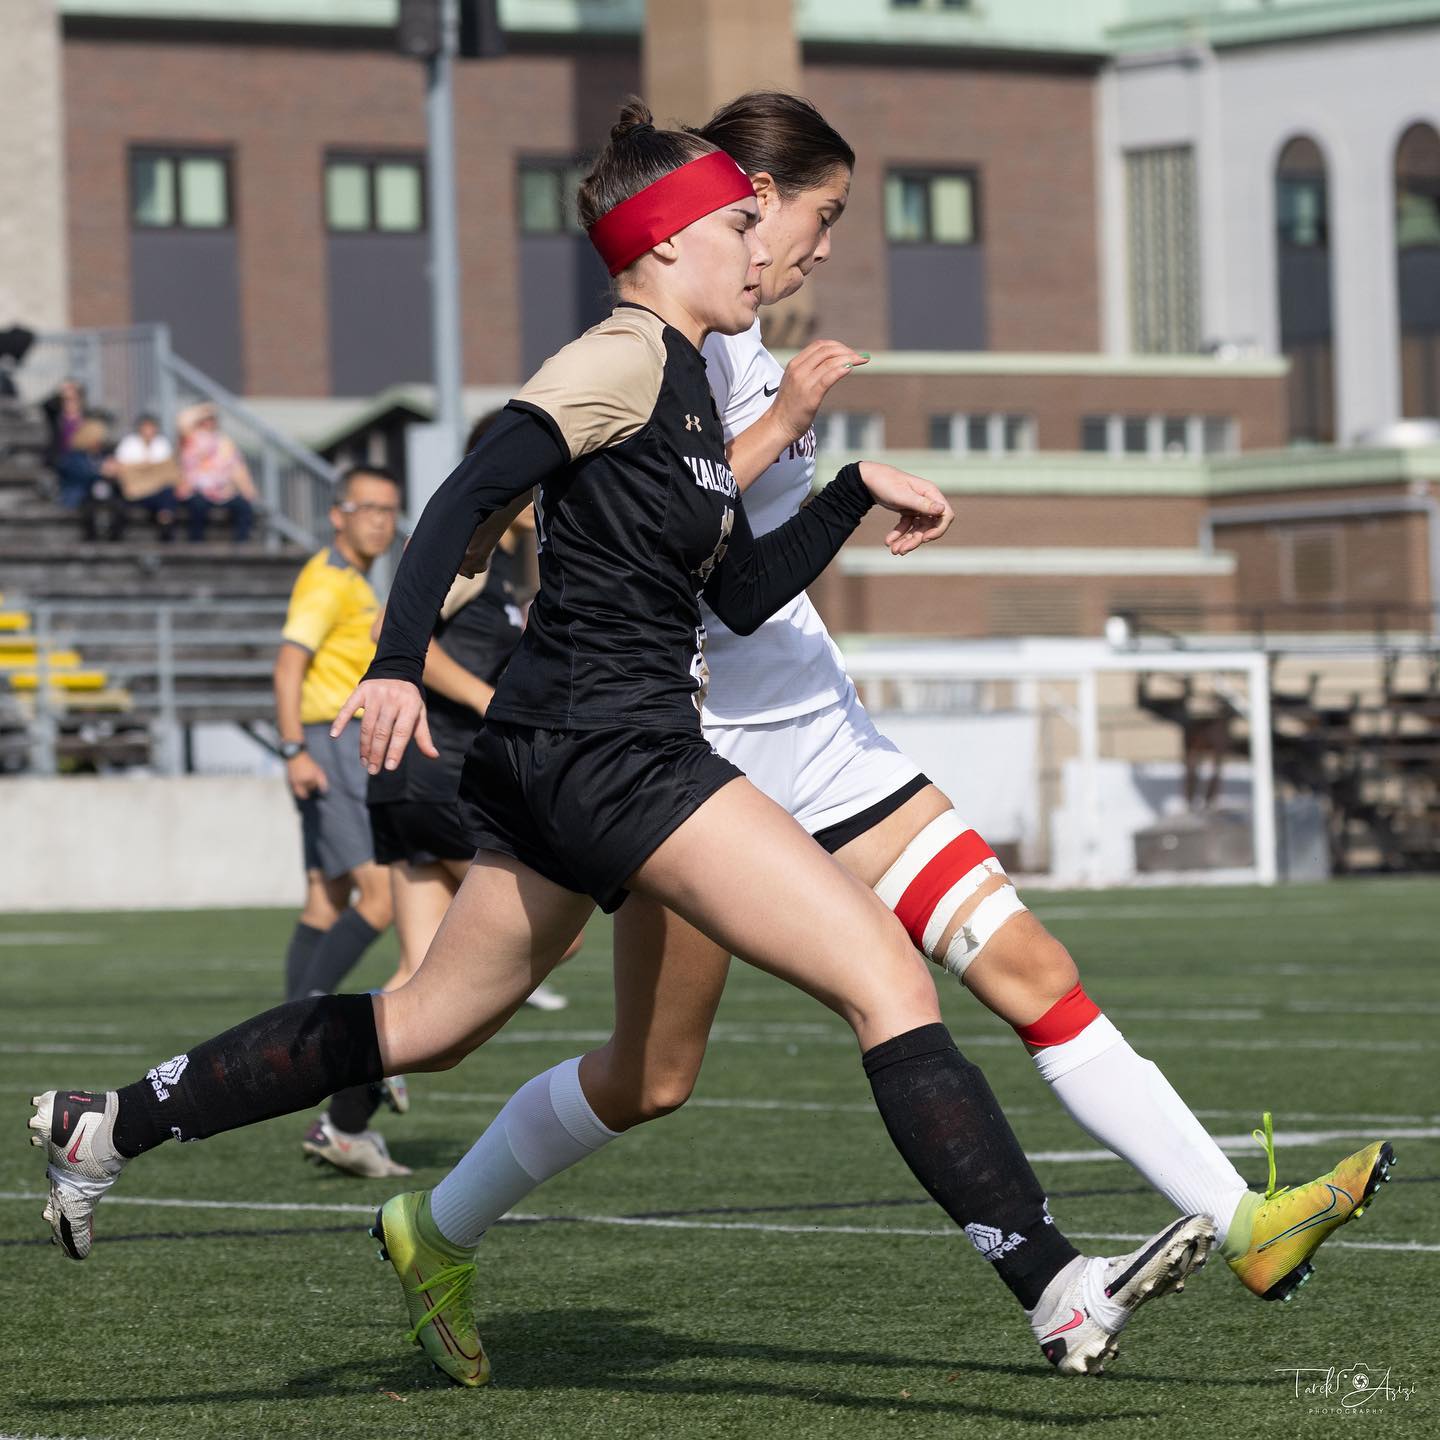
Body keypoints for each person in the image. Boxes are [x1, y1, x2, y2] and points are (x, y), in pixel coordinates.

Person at [29, 104, 1211, 1386]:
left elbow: (741, 590)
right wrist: (387, 670)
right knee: (888, 980)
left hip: (560, 752)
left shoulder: (691, 382)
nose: (764, 251)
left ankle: (112, 1125)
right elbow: (465, 494)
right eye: (739, 225)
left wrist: (855, 495)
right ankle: (1055, 1288)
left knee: (424, 1021)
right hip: (620, 752)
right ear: (666, 242)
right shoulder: (625, 357)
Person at [392, 92, 1395, 1363]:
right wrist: (789, 434)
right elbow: (683, 560)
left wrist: (839, 469)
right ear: (744, 208)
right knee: (651, 1077)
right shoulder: (675, 349)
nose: (822, 247)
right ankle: (433, 1224)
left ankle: (1235, 1217)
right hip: (700, 771)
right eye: (821, 216)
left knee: (1029, 967)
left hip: (825, 741)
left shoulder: (743, 342)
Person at [269, 466, 410, 1175]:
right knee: (379, 898)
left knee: (324, 900)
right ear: (337, 515)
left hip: (329, 745)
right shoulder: (327, 581)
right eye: (366, 509)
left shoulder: (353, 579)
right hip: (331, 745)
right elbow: (288, 666)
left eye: (389, 510)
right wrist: (297, 749)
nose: (380, 521)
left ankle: (294, 1033)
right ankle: (309, 1034)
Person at [176, 402, 257, 542]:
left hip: (222, 491)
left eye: (211, 419)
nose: (208, 423)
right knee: (197, 506)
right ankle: (196, 544)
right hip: (197, 490)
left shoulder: (224, 442)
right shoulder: (191, 439)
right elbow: (182, 421)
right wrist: (204, 409)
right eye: (205, 420)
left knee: (243, 506)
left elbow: (237, 467)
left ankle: (241, 546)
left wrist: (248, 489)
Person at [55, 416, 127, 542]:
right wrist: (102, 472)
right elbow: (81, 476)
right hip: (83, 494)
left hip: (106, 494)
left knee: (119, 506)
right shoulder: (74, 457)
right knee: (90, 507)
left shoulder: (103, 455)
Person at [114, 412, 180, 541]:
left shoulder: (162, 443)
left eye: (152, 427)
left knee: (167, 495)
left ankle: (165, 528)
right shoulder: (129, 443)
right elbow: (123, 468)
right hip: (134, 492)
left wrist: (144, 470)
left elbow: (167, 469)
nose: (149, 431)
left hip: (156, 491)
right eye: (146, 427)